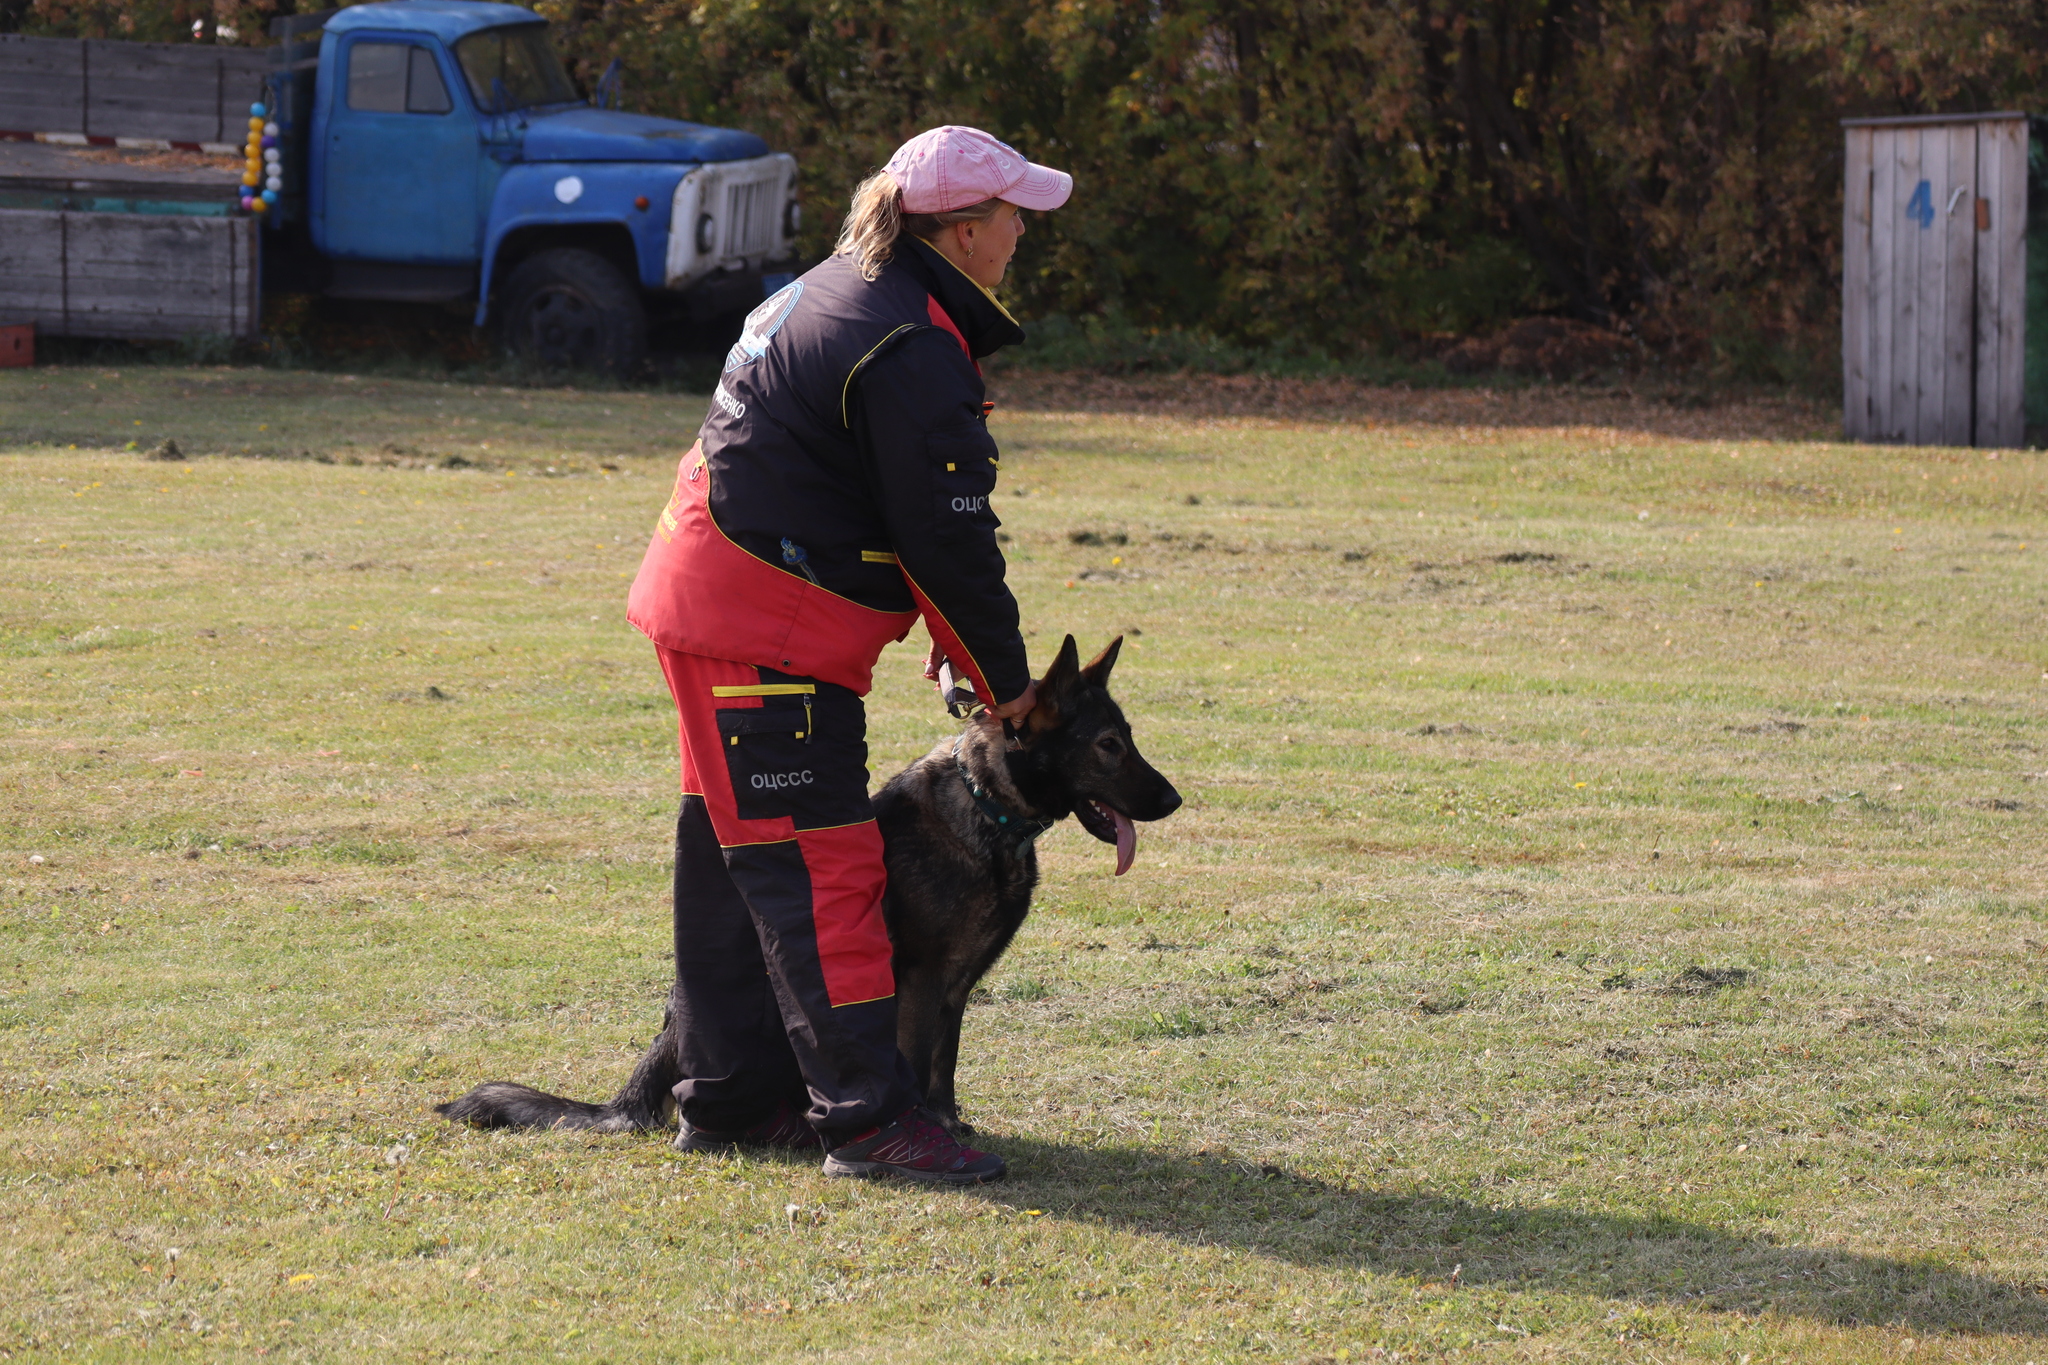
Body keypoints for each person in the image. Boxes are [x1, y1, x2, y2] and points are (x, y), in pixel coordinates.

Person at [624, 126, 1070, 1184]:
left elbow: (855, 490)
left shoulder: (845, 283)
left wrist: (948, 637)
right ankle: (868, 1120)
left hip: (715, 594)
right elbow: (946, 535)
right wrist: (1005, 686)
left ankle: (731, 1100)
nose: (1021, 233)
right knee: (822, 867)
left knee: (735, 858)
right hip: (763, 624)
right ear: (961, 231)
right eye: (1012, 217)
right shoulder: (908, 340)